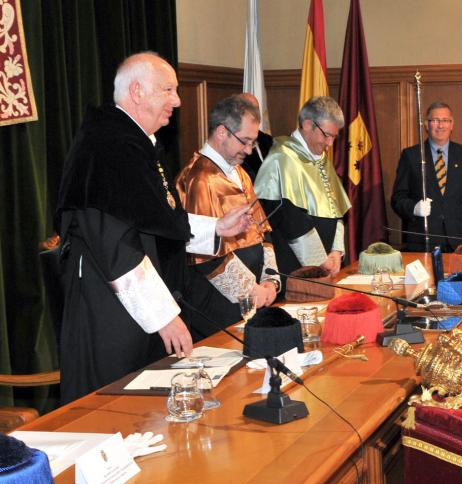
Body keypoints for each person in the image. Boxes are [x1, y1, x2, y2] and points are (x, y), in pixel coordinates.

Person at [55, 52, 251, 403]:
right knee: (116, 410)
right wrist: (164, 317)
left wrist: (216, 228)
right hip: (112, 309)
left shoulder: (135, 143)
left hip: (140, 302)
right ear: (137, 91)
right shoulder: (106, 147)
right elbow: (115, 246)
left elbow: (155, 220)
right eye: (168, 90)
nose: (177, 100)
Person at [176, 94, 280, 338]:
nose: (248, 150)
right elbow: (203, 254)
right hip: (217, 304)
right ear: (222, 132)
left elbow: (262, 229)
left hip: (252, 295)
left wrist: (270, 280)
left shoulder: (240, 173)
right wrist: (250, 290)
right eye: (244, 141)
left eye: (252, 142)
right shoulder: (200, 178)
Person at [253, 96, 351, 280]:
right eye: (327, 135)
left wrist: (336, 251)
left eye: (334, 137)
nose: (330, 144)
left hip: (326, 265)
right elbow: (289, 218)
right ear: (307, 125)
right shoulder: (282, 159)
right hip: (295, 267)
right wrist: (319, 262)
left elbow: (336, 209)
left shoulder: (321, 160)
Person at [391, 101, 462, 251]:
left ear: (452, 125)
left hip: (459, 243)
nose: (440, 125)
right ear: (426, 125)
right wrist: (414, 208)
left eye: (445, 120)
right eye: (435, 120)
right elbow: (397, 199)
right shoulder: (411, 156)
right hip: (422, 242)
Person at [237, 92, 274, 182]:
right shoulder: (234, 146)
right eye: (251, 110)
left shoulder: (268, 140)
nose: (255, 115)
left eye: (257, 110)